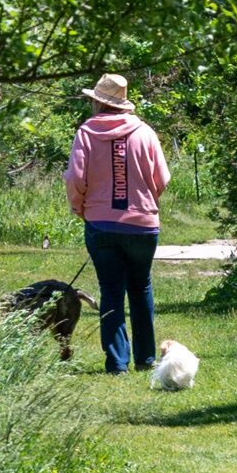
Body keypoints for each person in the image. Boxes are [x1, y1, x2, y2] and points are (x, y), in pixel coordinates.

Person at [64, 71, 169, 373]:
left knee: (111, 289)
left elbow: (74, 178)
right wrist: (145, 201)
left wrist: (80, 207)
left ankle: (117, 362)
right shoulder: (145, 132)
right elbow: (162, 179)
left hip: (100, 224)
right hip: (142, 223)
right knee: (141, 286)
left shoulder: (87, 132)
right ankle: (146, 358)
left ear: (98, 103)